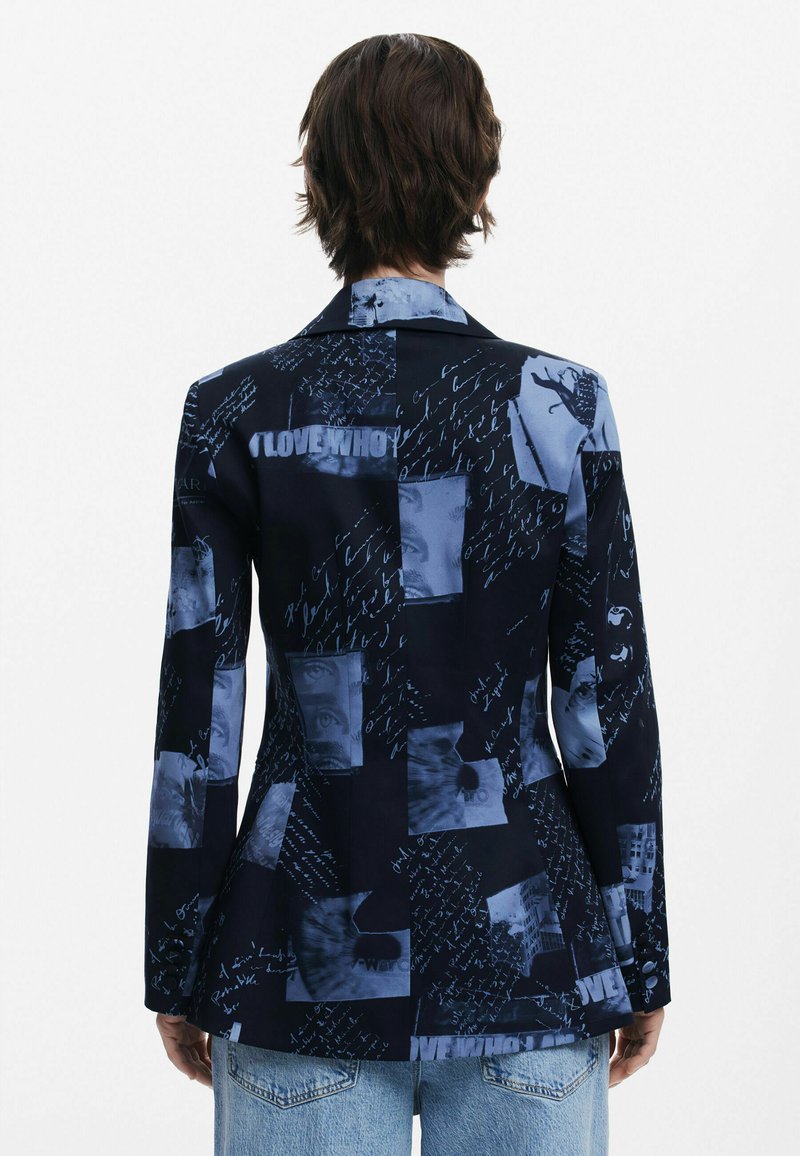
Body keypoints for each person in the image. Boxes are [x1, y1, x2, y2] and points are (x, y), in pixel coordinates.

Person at [144, 31, 671, 1156]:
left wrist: (180, 962)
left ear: (319, 180)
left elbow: (201, 723)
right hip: (528, 950)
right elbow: (602, 705)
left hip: (298, 952)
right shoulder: (558, 405)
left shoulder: (235, 410)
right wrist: (637, 953)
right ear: (476, 180)